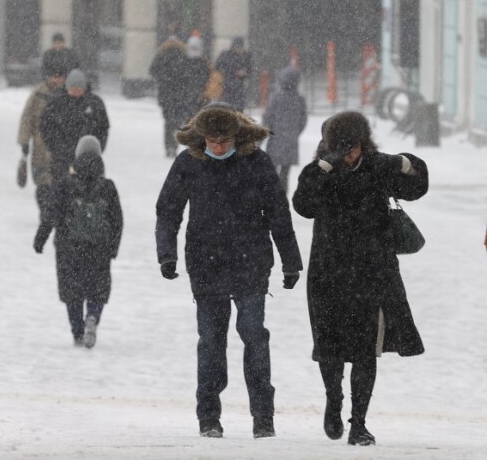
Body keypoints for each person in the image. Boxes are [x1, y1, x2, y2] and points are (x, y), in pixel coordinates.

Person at [155, 102, 303, 439]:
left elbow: (279, 214)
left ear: (237, 138)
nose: (218, 148)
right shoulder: (189, 163)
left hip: (251, 262)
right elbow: (168, 212)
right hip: (206, 264)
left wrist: (291, 261)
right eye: (212, 141)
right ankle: (208, 417)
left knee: (253, 335)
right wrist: (167, 255)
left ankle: (263, 417)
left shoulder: (257, 163)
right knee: (211, 341)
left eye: (225, 141)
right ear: (202, 138)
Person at [292, 111, 428, 446]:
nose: (350, 154)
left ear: (363, 143)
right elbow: (302, 205)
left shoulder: (377, 167)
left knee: (367, 350)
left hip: (372, 272)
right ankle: (333, 400)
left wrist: (407, 161)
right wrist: (326, 165)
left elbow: (415, 188)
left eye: (354, 147)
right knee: (330, 349)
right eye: (343, 148)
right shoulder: (320, 172)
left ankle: (359, 423)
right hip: (329, 274)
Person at [34, 135, 123, 348]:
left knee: (72, 290)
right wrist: (113, 248)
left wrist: (41, 239)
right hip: (99, 248)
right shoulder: (108, 187)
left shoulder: (65, 184)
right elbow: (117, 220)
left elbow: (50, 214)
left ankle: (78, 333)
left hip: (69, 247)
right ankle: (92, 316)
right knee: (97, 288)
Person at [39, 69, 110, 186]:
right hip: (61, 158)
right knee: (62, 188)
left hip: (89, 158)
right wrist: (57, 148)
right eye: (73, 89)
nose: (76, 92)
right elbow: (46, 127)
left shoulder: (95, 104)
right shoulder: (56, 103)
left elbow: (103, 128)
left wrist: (97, 148)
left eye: (79, 89)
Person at [17, 64, 68, 218]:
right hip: (40, 144)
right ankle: (45, 211)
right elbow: (27, 118)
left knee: (60, 181)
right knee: (41, 180)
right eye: (54, 76)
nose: (57, 80)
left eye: (60, 77)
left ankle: (56, 212)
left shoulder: (68, 94)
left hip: (62, 146)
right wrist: (24, 141)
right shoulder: (38, 93)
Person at [149, 34, 211, 157]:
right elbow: (187, 77)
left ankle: (171, 146)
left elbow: (153, 71)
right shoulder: (182, 57)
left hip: (167, 95)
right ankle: (182, 145)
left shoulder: (162, 55)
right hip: (178, 95)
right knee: (180, 121)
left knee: (170, 122)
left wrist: (163, 80)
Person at [261, 66, 308, 192]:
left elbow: (268, 117)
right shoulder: (300, 99)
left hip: (275, 139)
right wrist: (295, 133)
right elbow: (303, 121)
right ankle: (282, 198)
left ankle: (271, 197)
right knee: (285, 173)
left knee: (272, 171)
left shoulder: (275, 97)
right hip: (291, 141)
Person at [215, 36, 253, 111]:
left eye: (240, 47)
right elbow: (218, 68)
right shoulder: (226, 55)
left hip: (240, 90)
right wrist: (233, 72)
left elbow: (250, 71)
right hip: (227, 89)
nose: (239, 49)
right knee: (227, 109)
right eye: (237, 47)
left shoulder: (246, 56)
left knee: (238, 110)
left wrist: (245, 73)